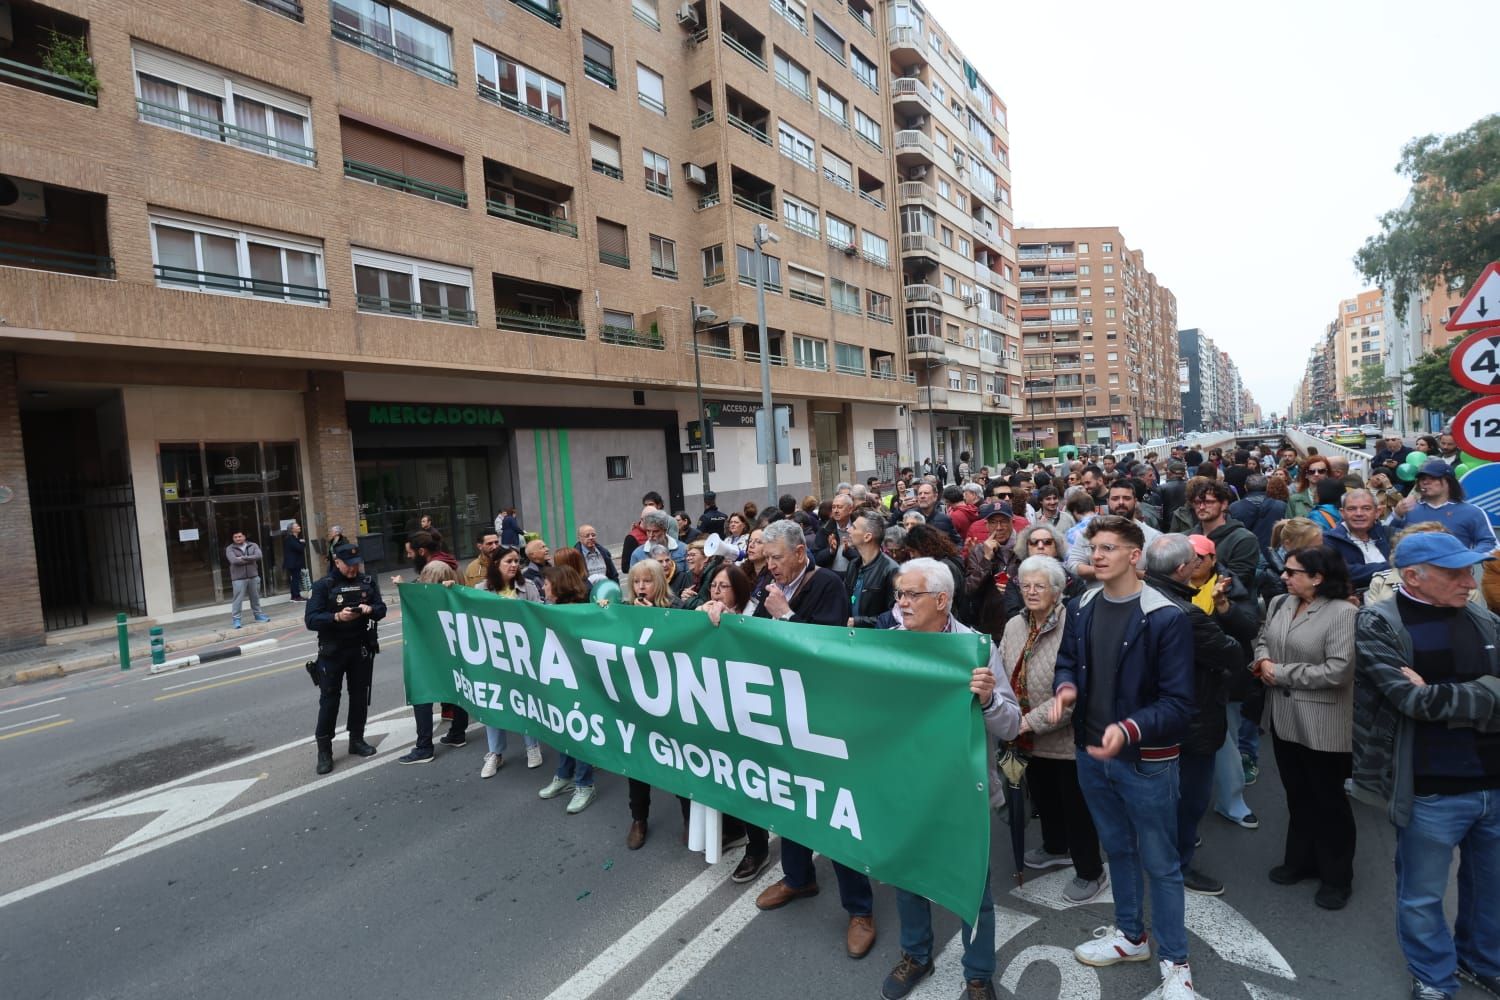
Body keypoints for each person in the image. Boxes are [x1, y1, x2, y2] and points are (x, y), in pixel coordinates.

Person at [1049, 515, 1197, 1000]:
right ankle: (1131, 936)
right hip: (1091, 754)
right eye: (1094, 547)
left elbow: (1178, 703)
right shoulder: (1082, 604)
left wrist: (1127, 728)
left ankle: (1176, 963)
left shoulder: (1166, 616)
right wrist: (1066, 688)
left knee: (1162, 863)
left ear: (1135, 556)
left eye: (1109, 547)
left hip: (1146, 761)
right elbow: (1067, 660)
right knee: (1118, 850)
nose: (1097, 555)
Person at [1352, 531, 1500, 1000]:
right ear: (1413, 577)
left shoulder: (1482, 617)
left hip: (1494, 782)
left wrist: (1439, 694)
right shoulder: (1378, 622)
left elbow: (1427, 699)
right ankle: (1434, 977)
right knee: (1422, 895)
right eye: (1455, 573)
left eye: (1470, 570)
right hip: (1430, 788)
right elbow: (1410, 701)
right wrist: (1488, 692)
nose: (1470, 581)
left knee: (1492, 888)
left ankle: (1481, 961)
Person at [878, 558, 1020, 1000]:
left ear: (942, 600)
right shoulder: (884, 645)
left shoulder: (976, 650)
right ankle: (916, 955)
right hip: (906, 787)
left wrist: (989, 699)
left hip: (962, 791)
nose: (902, 603)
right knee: (908, 875)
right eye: (899, 594)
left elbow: (1012, 724)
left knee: (972, 886)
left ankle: (978, 974)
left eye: (911, 594)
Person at [749, 520, 876, 961]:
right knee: (790, 797)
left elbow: (825, 650)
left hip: (824, 718)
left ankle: (860, 909)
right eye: (766, 558)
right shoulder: (767, 584)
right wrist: (720, 615)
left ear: (800, 553)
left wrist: (785, 613)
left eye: (777, 558)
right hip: (783, 712)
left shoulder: (828, 586)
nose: (770, 566)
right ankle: (798, 877)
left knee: (835, 809)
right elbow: (749, 632)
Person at [1143, 534, 1258, 898]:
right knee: (1189, 796)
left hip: (1153, 715)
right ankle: (1177, 864)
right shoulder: (1186, 613)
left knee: (1163, 791)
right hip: (1192, 716)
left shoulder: (1139, 598)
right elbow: (1232, 653)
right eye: (1194, 560)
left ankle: (1168, 849)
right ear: (1182, 568)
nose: (1198, 564)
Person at [1253, 546, 1359, 910]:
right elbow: (1263, 639)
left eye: (1292, 571)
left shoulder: (1343, 613)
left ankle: (1337, 877)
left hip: (1323, 723)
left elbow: (1338, 670)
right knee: (1297, 794)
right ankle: (1300, 861)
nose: (1283, 576)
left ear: (1317, 578)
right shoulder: (1280, 603)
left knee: (1328, 800)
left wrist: (1279, 672)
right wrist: (1262, 661)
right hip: (1283, 718)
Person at [1000, 555, 1106, 905]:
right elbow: (1001, 668)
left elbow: (1073, 695)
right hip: (1026, 737)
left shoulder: (1074, 625)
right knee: (1045, 799)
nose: (1031, 592)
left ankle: (1091, 871)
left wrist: (1025, 723)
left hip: (1065, 738)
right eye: (1025, 585)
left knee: (1076, 808)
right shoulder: (1015, 624)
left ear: (1057, 590)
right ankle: (1055, 847)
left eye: (1040, 586)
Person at [696, 562, 775, 884]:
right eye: (713, 586)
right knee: (723, 771)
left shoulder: (756, 615)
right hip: (718, 709)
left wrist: (731, 625)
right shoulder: (708, 611)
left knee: (749, 779)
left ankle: (758, 847)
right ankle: (734, 829)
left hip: (751, 713)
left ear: (739, 590)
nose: (716, 592)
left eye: (724, 586)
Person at [305, 541, 386, 775]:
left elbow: (381, 608)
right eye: (348, 564)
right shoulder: (323, 586)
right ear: (337, 562)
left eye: (356, 564)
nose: (353, 568)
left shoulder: (367, 582)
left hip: (360, 648)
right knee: (330, 699)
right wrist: (337, 617)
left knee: (359, 696)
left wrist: (371, 610)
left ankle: (357, 739)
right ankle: (324, 751)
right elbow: (311, 619)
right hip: (333, 651)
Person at [534, 565, 600, 814]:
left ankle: (584, 784)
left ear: (559, 586)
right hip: (559, 680)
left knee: (579, 730)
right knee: (563, 727)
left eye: (547, 583)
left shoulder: (581, 613)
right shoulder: (548, 611)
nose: (543, 588)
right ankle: (564, 775)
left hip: (581, 683)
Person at [473, 546, 544, 776]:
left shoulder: (528, 587)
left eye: (516, 561)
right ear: (496, 564)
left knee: (525, 700)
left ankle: (532, 746)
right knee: (492, 701)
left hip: (523, 656)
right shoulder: (481, 590)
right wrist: (450, 589)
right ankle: (495, 752)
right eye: (509, 561)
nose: (514, 565)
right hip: (493, 657)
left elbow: (540, 616)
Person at [398, 560, 471, 765]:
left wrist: (404, 588)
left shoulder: (423, 596)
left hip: (427, 654)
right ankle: (458, 733)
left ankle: (424, 747)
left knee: (423, 696)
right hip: (453, 653)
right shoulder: (456, 594)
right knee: (457, 689)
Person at [1391, 460, 1499, 555]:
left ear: (1448, 481)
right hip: (1415, 570)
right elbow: (1387, 539)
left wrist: (1468, 557)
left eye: (1433, 478)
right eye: (1422, 479)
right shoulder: (1408, 509)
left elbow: (1491, 544)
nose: (1425, 482)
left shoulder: (1471, 511)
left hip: (1455, 570)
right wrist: (1396, 515)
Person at [1186, 479, 1261, 585]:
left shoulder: (1244, 539)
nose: (1201, 507)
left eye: (1208, 502)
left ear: (1224, 504)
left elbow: (1238, 581)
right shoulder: (1185, 538)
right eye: (1197, 502)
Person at [965, 503, 1020, 643]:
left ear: (1012, 522)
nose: (999, 527)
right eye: (993, 522)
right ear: (987, 525)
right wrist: (987, 559)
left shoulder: (1024, 548)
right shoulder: (978, 551)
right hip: (991, 625)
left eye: (1003, 521)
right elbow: (970, 589)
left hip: (1020, 621)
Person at [1322, 489, 1391, 595]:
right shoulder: (1329, 539)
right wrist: (1391, 566)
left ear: (1377, 512)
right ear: (1342, 513)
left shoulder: (1388, 534)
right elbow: (1342, 572)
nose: (1359, 513)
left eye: (1366, 508)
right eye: (1352, 509)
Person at [844, 509, 899, 628]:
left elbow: (894, 616)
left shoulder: (891, 570)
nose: (848, 530)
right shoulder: (853, 565)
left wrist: (858, 622)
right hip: (851, 634)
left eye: (854, 527)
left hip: (875, 637)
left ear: (867, 537)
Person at [1228, 474, 1286, 556]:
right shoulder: (1281, 506)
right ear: (1267, 487)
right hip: (1272, 553)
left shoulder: (1234, 507)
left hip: (1245, 553)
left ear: (1245, 487)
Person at [225, 530, 269, 629]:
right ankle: (236, 619)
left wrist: (243, 558)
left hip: (253, 576)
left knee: (255, 597)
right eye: (235, 537)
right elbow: (234, 561)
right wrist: (251, 559)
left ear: (244, 537)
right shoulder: (230, 548)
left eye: (239, 536)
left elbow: (259, 556)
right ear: (233, 539)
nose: (238, 538)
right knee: (237, 599)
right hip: (238, 578)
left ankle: (258, 615)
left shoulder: (253, 545)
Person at [629, 509, 689, 575]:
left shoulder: (683, 549)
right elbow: (634, 578)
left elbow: (690, 577)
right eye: (648, 531)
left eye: (655, 531)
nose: (651, 535)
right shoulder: (638, 554)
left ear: (665, 531)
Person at [913, 481, 960, 547]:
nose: (922, 496)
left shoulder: (944, 519)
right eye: (920, 494)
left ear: (935, 496)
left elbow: (957, 542)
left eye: (926, 493)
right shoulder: (911, 517)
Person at [283, 521, 307, 602]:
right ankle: (296, 596)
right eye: (297, 526)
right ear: (292, 529)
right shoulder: (290, 539)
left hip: (295, 563)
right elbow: (299, 548)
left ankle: (294, 596)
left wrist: (301, 543)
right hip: (293, 563)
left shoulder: (295, 539)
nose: (299, 527)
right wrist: (303, 543)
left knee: (295, 579)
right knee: (295, 579)